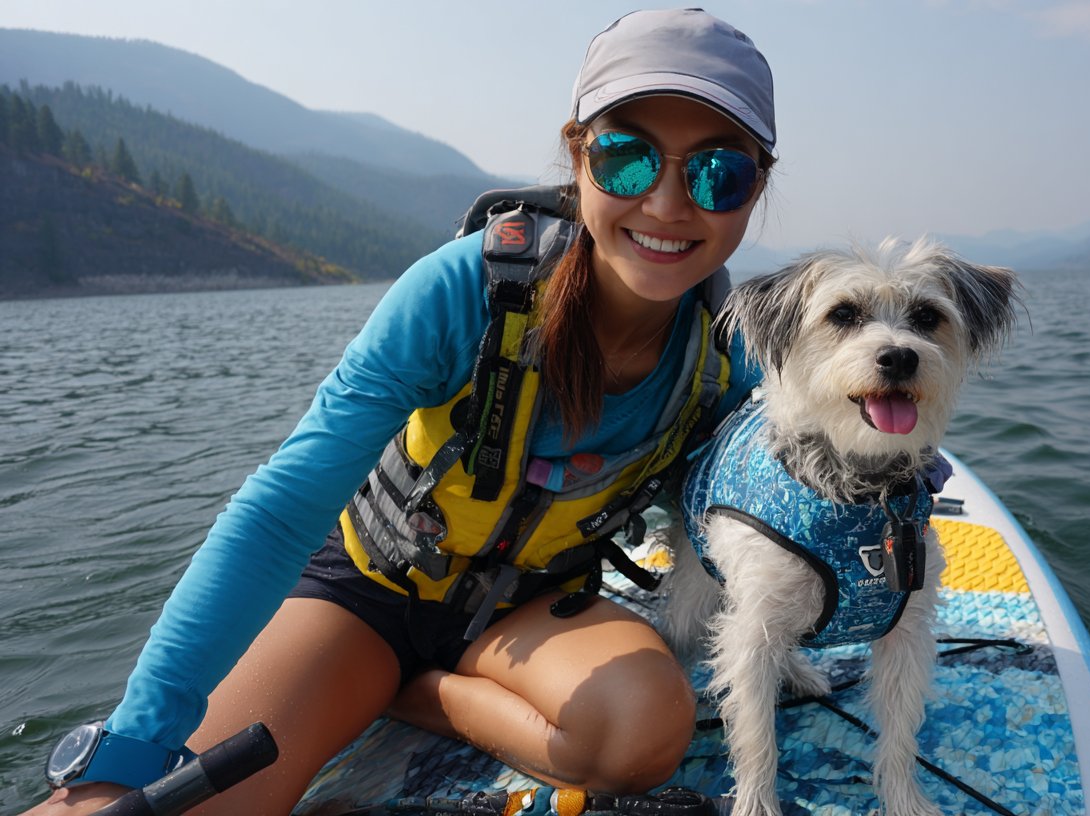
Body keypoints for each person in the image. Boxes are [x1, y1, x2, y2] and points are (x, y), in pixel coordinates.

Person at [27, 9, 777, 814]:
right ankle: (375, 678)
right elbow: (281, 512)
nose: (666, 204)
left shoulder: (728, 359)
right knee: (155, 802)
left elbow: (745, 522)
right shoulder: (466, 292)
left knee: (642, 736)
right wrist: (140, 737)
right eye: (627, 158)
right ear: (577, 154)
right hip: (364, 592)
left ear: (756, 187)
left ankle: (423, 694)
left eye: (716, 173)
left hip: (524, 612)